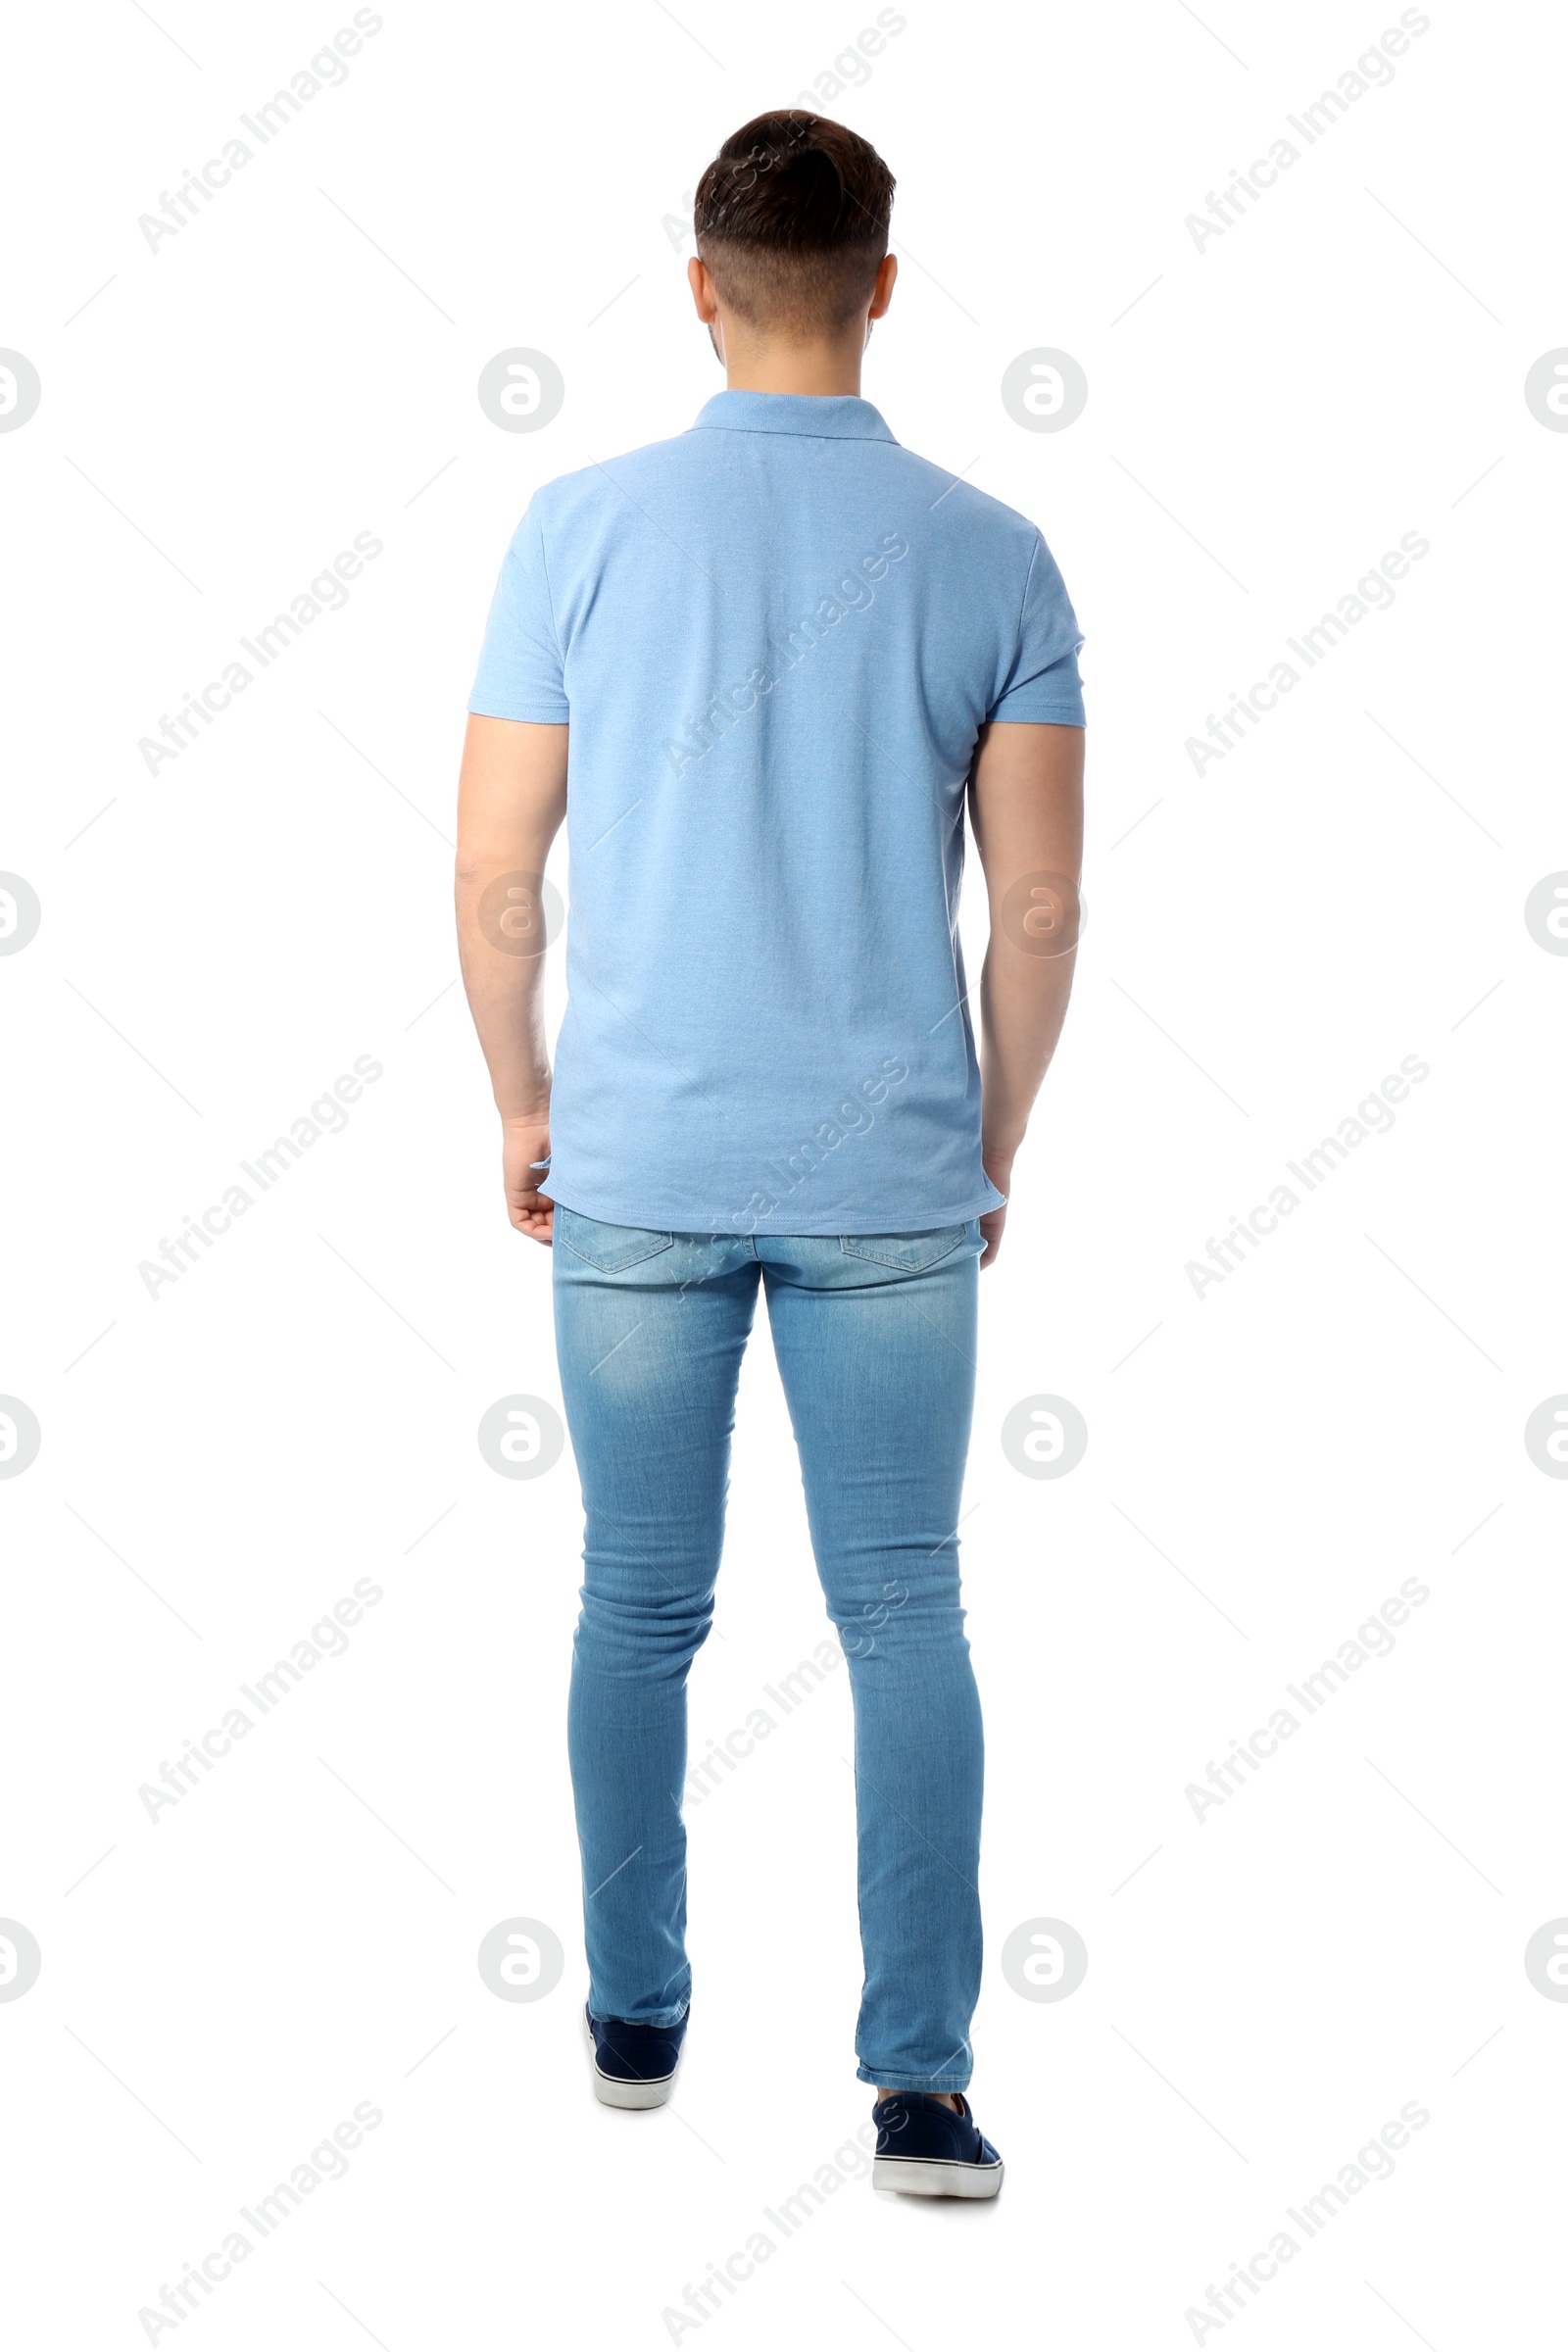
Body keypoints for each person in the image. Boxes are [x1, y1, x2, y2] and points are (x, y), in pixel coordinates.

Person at [455, 110, 1084, 2199]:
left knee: (635, 1604)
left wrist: (519, 1102)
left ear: (700, 287)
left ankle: (633, 2022)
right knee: (904, 1613)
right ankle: (918, 2093)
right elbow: (1042, 910)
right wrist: (984, 1135)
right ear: (883, 287)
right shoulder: (995, 552)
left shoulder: (574, 526)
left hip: (634, 1155)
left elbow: (492, 871)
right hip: (887, 1172)